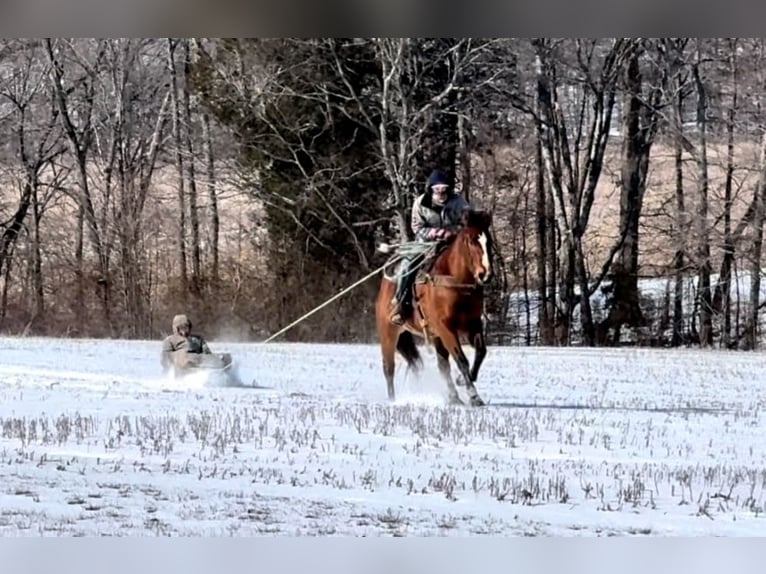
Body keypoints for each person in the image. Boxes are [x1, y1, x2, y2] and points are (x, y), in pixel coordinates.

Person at [389, 168, 471, 325]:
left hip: (453, 243)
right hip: (426, 244)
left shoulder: (459, 203)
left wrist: (453, 232)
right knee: (407, 266)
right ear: (431, 189)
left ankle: (475, 300)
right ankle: (402, 304)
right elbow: (417, 227)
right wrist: (433, 232)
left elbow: (468, 222)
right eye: (437, 189)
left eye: (444, 189)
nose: (441, 193)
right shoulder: (420, 203)